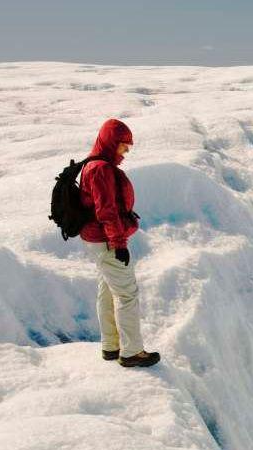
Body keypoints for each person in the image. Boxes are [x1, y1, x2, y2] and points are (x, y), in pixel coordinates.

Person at [79, 118, 160, 368]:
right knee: (127, 294)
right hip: (106, 240)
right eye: (123, 146)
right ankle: (132, 352)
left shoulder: (93, 165)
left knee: (108, 289)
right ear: (111, 143)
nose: (126, 152)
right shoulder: (101, 169)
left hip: (97, 239)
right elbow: (107, 211)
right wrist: (119, 243)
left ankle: (111, 346)